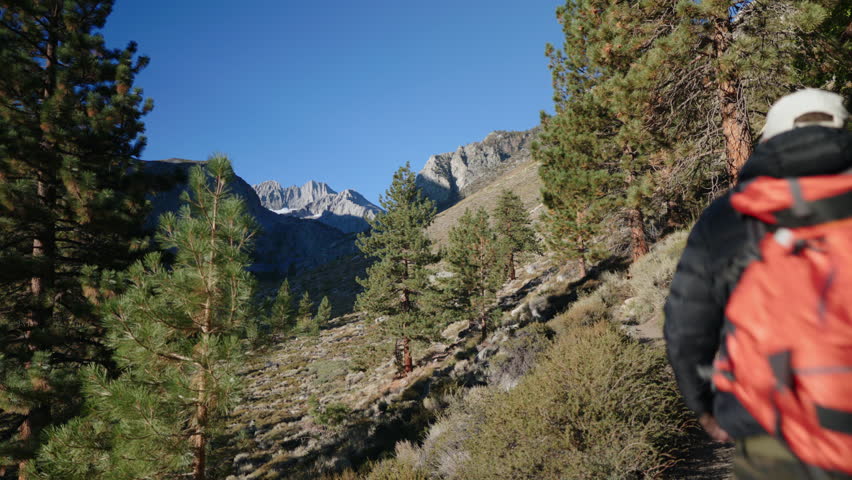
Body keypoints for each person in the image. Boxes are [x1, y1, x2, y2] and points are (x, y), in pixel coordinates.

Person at [664, 88, 851, 479]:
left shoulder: (729, 216)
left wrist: (706, 409)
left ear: (768, 140)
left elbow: (687, 328)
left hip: (773, 428)